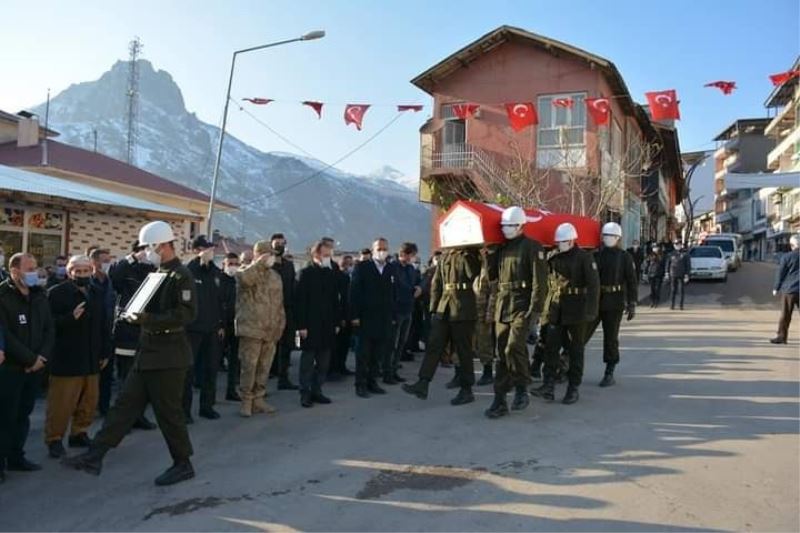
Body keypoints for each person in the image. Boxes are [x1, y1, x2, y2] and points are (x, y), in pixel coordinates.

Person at [63, 220, 198, 486]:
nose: (147, 251)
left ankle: (183, 463)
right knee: (124, 405)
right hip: (148, 351)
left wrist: (146, 318)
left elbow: (186, 314)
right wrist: (134, 315)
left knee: (169, 414)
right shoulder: (156, 273)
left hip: (169, 356)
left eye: (150, 247)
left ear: (163, 245)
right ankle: (96, 455)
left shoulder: (181, 275)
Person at [45, 255, 112, 459]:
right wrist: (69, 319)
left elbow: (104, 323)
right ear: (69, 272)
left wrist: (105, 351)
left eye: (85, 271)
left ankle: (79, 433)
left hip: (92, 357)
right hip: (67, 358)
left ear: (91, 271)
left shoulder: (96, 292)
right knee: (62, 403)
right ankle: (54, 439)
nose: (82, 275)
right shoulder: (56, 293)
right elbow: (47, 326)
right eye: (78, 271)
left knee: (89, 401)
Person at [484, 206, 548, 419]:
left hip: (523, 305)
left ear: (521, 225)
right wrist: (489, 254)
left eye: (510, 226)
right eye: (504, 226)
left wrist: (535, 311)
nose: (506, 230)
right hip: (504, 305)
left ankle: (522, 387)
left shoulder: (532, 247)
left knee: (513, 347)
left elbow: (540, 282)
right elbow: (493, 277)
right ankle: (500, 398)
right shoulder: (501, 248)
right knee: (501, 354)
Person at [402, 246, 481, 405]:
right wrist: (433, 309)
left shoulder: (470, 254)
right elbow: (437, 283)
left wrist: (465, 253)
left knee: (463, 350)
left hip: (463, 307)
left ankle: (467, 390)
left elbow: (473, 273)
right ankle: (423, 383)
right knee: (434, 345)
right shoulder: (445, 256)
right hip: (444, 307)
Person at [531, 223, 599, 405]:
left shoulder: (585, 257)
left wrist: (591, 310)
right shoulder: (553, 257)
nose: (560, 244)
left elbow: (594, 285)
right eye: (558, 241)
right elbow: (546, 281)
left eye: (563, 241)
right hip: (556, 309)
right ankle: (548, 385)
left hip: (577, 310)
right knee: (551, 348)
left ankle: (573, 388)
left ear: (571, 240)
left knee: (575, 350)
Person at [0, 253, 54, 481]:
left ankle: (16, 457)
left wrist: (41, 357)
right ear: (14, 271)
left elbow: (49, 329)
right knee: (5, 417)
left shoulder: (39, 295)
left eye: (35, 268)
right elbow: (5, 336)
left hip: (35, 368)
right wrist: (30, 359)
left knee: (23, 414)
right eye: (29, 268)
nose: (34, 273)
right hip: (11, 368)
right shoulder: (3, 295)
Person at [109, 240, 157, 430]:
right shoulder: (125, 269)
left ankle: (138, 416)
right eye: (147, 250)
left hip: (145, 331)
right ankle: (122, 421)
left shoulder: (152, 271)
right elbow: (114, 277)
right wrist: (132, 259)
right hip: (127, 331)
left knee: (143, 380)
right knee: (126, 380)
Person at [234, 241, 286, 417]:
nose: (271, 258)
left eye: (272, 255)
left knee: (264, 367)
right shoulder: (245, 272)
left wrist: (280, 324)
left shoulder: (275, 277)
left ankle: (259, 399)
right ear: (259, 255)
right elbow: (246, 280)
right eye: (268, 254)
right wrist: (258, 264)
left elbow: (280, 303)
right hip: (251, 329)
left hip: (270, 330)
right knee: (249, 367)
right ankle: (246, 401)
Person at [586, 222, 637, 387]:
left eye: (611, 236)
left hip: (614, 302)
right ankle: (567, 364)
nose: (608, 239)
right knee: (582, 334)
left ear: (618, 238)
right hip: (596, 300)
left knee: (610, 338)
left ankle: (609, 371)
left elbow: (631, 281)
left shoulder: (625, 257)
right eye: (605, 236)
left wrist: (632, 303)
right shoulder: (596, 255)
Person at [295, 240, 342, 407]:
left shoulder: (330, 274)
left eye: (330, 255)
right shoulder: (305, 273)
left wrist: (337, 322)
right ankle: (305, 393)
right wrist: (301, 326)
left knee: (323, 363)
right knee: (307, 362)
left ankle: (317, 390)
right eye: (326, 255)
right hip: (310, 325)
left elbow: (335, 300)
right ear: (316, 255)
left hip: (327, 325)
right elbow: (299, 302)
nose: (329, 258)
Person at [349, 238, 396, 398]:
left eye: (385, 248)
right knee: (363, 354)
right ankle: (360, 384)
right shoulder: (362, 267)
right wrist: (354, 316)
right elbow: (354, 292)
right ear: (373, 249)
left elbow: (392, 293)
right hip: (365, 317)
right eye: (379, 248)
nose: (382, 251)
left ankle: (372, 382)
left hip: (383, 318)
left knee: (378, 353)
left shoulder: (390, 268)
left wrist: (392, 315)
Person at [184, 235, 224, 421]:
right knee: (188, 372)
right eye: (206, 248)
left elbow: (220, 301)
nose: (210, 251)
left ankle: (207, 406)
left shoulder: (215, 272)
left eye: (211, 248)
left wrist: (221, 324)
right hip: (192, 330)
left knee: (211, 369)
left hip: (212, 328)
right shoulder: (189, 271)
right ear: (196, 250)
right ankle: (184, 411)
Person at [87, 247, 116, 418]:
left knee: (106, 376)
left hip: (108, 334)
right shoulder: (89, 283)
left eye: (108, 260)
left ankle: (104, 407)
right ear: (94, 262)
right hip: (91, 336)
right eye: (104, 260)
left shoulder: (110, 283)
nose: (107, 264)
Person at [385, 242, 420, 385]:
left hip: (408, 309)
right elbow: (392, 291)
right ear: (405, 254)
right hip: (396, 311)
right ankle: (387, 372)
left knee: (401, 343)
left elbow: (415, 283)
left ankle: (394, 370)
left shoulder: (411, 269)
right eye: (412, 255)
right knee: (391, 343)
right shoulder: (392, 268)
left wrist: (418, 288)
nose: (413, 258)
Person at [270, 233, 298, 391]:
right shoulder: (268, 265)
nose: (280, 245)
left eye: (282, 243)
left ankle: (283, 377)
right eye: (277, 243)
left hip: (287, 309)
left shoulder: (288, 265)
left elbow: (293, 286)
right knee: (269, 345)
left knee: (286, 345)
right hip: (270, 310)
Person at [473, 247, 497, 386]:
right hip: (476, 309)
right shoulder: (476, 263)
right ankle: (485, 371)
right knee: (479, 342)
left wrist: (490, 311)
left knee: (488, 342)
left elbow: (493, 290)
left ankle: (490, 372)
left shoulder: (491, 262)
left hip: (487, 309)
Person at [771, 234, 799, 344]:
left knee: (785, 315)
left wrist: (776, 288)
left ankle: (782, 337)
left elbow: (780, 274)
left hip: (789, 290)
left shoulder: (787, 257)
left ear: (792, 245)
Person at [220, 253, 240, 400]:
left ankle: (231, 390)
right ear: (224, 264)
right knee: (214, 361)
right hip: (221, 326)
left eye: (235, 263)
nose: (233, 266)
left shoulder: (238, 280)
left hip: (236, 325)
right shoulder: (219, 280)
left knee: (235, 360)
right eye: (230, 263)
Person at [330, 255, 355, 377]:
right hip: (340, 317)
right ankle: (333, 368)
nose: (348, 267)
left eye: (351, 264)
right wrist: (341, 318)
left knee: (345, 345)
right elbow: (338, 300)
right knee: (336, 345)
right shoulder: (337, 278)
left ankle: (342, 366)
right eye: (346, 264)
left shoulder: (351, 278)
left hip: (349, 316)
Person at [667, 241, 691, 310]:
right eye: (676, 244)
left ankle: (681, 305)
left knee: (681, 290)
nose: (677, 246)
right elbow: (668, 263)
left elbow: (688, 265)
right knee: (673, 290)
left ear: (681, 245)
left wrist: (687, 274)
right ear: (674, 245)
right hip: (673, 274)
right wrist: (666, 272)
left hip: (682, 274)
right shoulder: (671, 254)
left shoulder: (685, 254)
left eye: (679, 244)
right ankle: (672, 305)